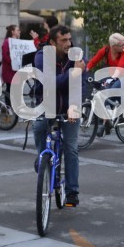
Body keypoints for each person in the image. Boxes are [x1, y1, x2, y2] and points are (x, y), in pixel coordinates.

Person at [32, 25, 88, 208]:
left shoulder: (76, 55)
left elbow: (80, 84)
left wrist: (73, 106)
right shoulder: (42, 57)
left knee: (71, 147)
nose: (68, 43)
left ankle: (72, 192)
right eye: (63, 40)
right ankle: (42, 158)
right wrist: (74, 73)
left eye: (69, 39)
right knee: (39, 126)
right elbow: (49, 84)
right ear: (52, 43)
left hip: (70, 107)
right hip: (46, 105)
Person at [86, 33, 124, 136]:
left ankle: (109, 121)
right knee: (103, 94)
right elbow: (94, 60)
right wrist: (85, 70)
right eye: (121, 45)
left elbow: (120, 66)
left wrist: (113, 78)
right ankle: (108, 120)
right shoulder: (105, 50)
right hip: (113, 76)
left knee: (111, 91)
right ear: (114, 46)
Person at [0, 25, 20, 97]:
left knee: (16, 89)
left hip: (16, 69)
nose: (19, 32)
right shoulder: (7, 42)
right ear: (12, 32)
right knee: (10, 88)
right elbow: (5, 56)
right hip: (9, 69)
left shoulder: (18, 42)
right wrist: (13, 63)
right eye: (17, 30)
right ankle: (9, 106)